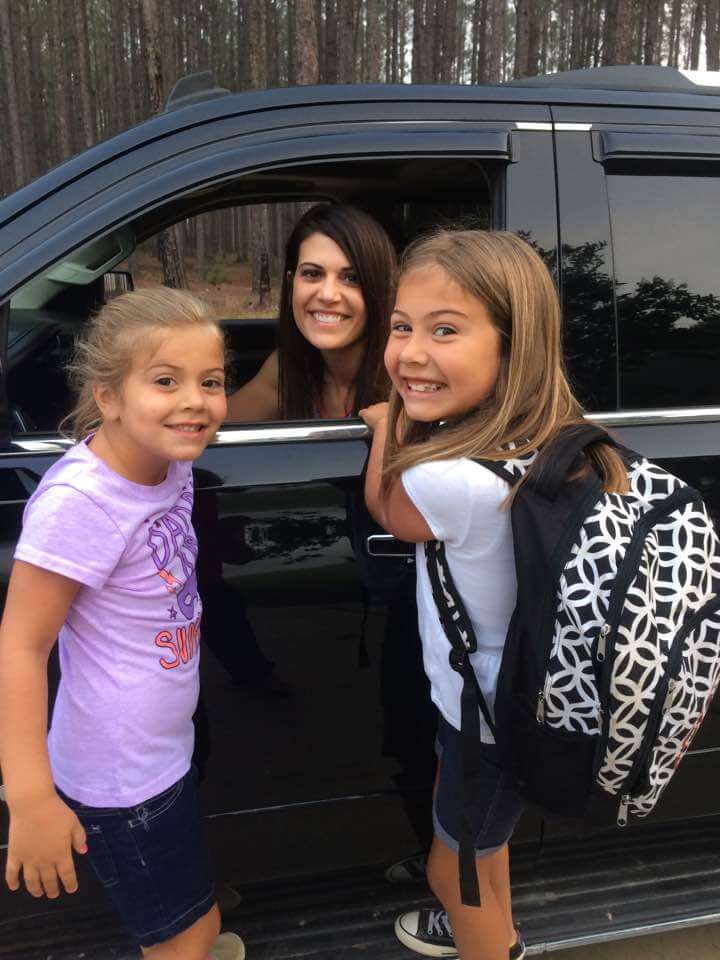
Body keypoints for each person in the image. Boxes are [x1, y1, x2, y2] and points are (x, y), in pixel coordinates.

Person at [361, 230, 627, 960]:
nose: (411, 352)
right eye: (402, 327)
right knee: (484, 845)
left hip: (485, 717)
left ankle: (482, 940)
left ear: (514, 347)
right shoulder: (561, 442)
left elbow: (390, 511)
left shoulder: (449, 479)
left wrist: (388, 425)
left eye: (445, 330)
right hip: (519, 711)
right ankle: (499, 938)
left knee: (457, 871)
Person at [0, 289, 244, 960]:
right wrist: (29, 799)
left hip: (160, 756)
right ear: (108, 397)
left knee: (189, 912)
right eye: (165, 381)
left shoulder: (166, 459)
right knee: (189, 936)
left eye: (212, 382)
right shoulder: (82, 502)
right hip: (119, 780)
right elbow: (21, 645)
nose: (195, 400)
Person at [226, 203, 396, 422]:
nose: (327, 295)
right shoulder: (288, 370)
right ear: (291, 284)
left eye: (351, 278)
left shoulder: (405, 378)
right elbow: (217, 426)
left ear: (378, 289)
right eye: (312, 274)